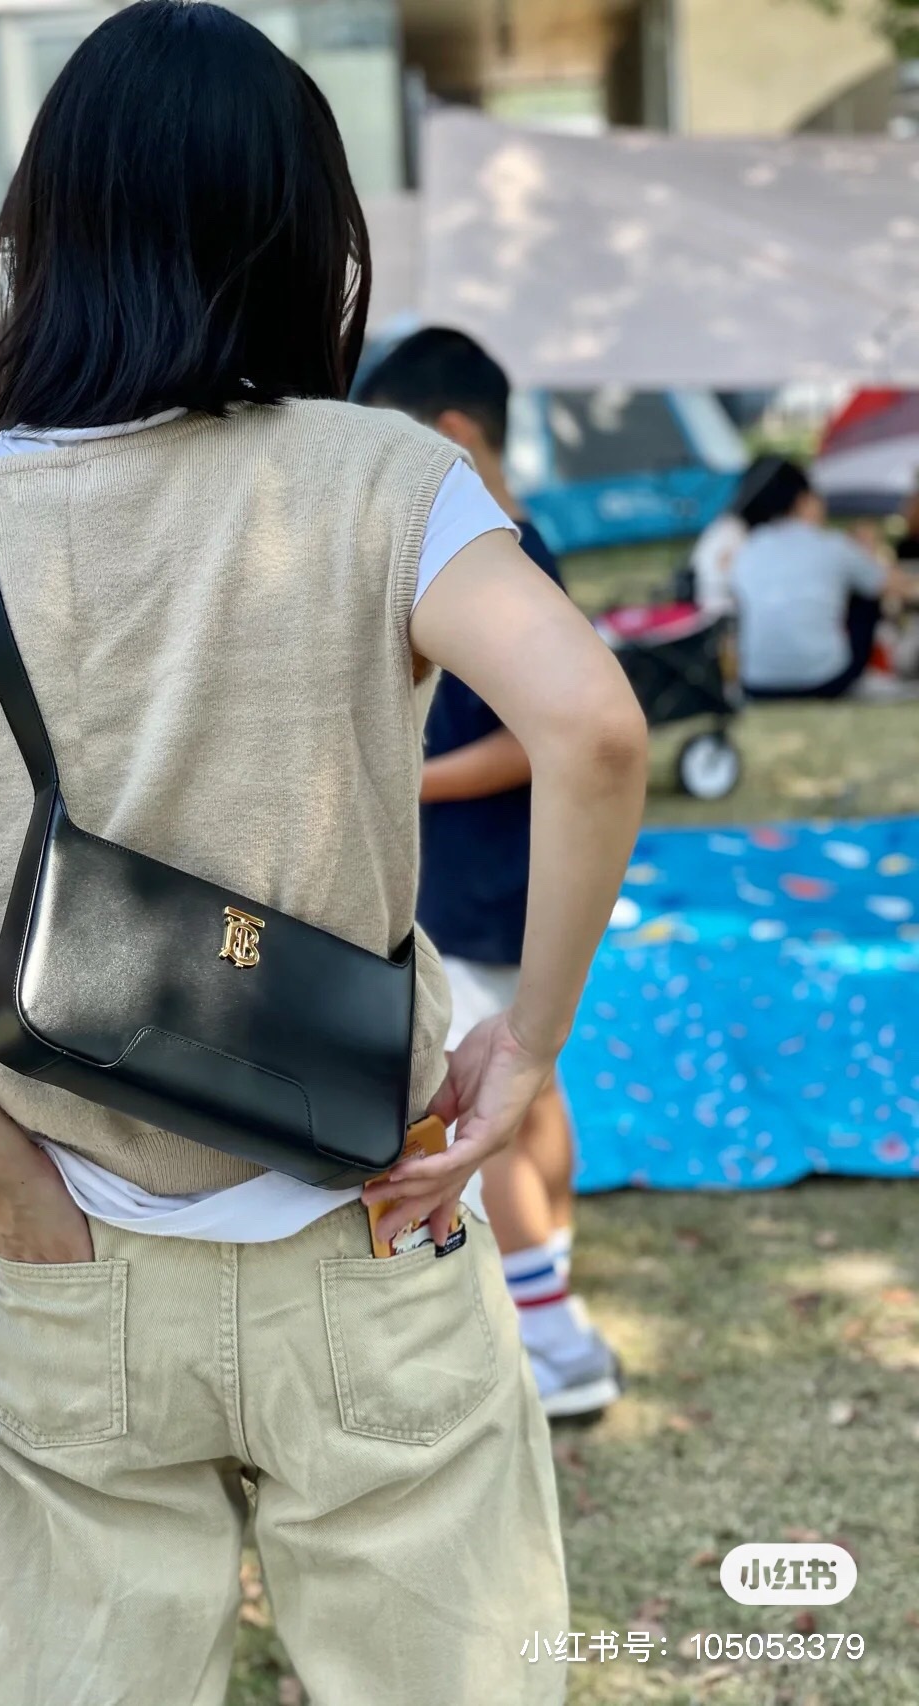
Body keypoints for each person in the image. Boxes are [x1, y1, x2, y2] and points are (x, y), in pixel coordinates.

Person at [0, 6, 648, 1703]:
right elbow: (594, 727)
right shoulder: (388, 476)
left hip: (68, 1258)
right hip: (366, 1224)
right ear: (308, 237)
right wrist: (529, 1045)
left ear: (46, 235)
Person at [357, 327, 623, 1420]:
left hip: (470, 887)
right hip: (522, 879)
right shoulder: (529, 548)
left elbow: (540, 738)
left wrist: (399, 781)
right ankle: (550, 1269)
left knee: (476, 1107)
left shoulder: (486, 560)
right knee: (534, 1082)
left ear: (454, 436)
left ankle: (549, 1332)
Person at [731, 455, 906, 700]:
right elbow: (893, 586)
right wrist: (867, 554)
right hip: (824, 680)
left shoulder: (749, 548)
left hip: (755, 682)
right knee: (866, 593)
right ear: (803, 500)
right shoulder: (833, 545)